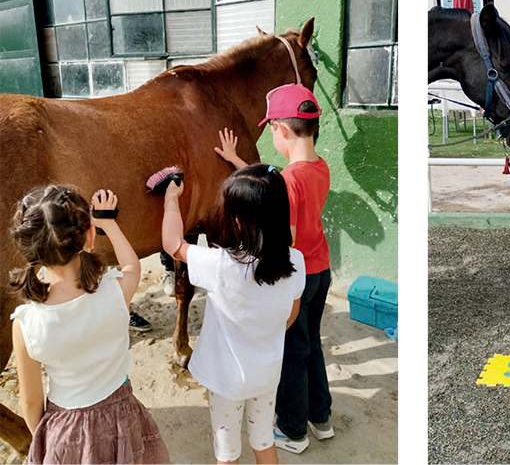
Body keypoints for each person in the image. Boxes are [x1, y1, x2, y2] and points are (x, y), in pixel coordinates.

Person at [10, 185, 169, 464]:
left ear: (30, 250)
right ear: (89, 236)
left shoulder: (26, 323)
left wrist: (48, 440)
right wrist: (109, 222)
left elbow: (31, 403)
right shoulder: (115, 292)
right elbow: (132, 266)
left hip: (66, 430)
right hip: (123, 417)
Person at [215, 83, 333, 454]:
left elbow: (287, 238)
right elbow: (274, 181)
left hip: (297, 279)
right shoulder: (318, 167)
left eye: (272, 131)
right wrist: (241, 164)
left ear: (280, 130)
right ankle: (321, 418)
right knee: (312, 344)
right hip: (322, 270)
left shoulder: (289, 181)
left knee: (293, 353)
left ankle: (293, 430)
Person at [162, 165, 305, 464]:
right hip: (266, 375)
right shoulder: (296, 261)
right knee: (264, 440)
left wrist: (171, 200)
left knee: (227, 452)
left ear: (237, 221)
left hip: (227, 380)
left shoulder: (218, 264)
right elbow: (288, 318)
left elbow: (174, 245)